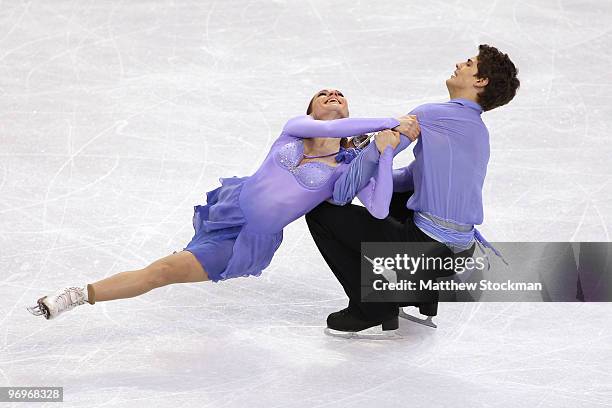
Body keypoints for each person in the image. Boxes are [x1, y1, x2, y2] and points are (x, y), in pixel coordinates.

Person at [27, 89, 420, 320]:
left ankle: (79, 295)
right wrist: (388, 120)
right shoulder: (293, 133)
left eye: (340, 97)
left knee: (162, 271)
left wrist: (384, 155)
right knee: (164, 268)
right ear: (311, 112)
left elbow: (380, 209)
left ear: (349, 113)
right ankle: (86, 292)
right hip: (229, 212)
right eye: (324, 95)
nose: (333, 97)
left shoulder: (346, 168)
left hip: (246, 241)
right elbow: (332, 131)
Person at [306, 44, 521, 334]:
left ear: (480, 81)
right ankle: (422, 296)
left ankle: (371, 307)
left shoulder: (432, 114)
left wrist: (348, 164)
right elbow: (410, 177)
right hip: (457, 255)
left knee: (321, 215)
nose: (459, 64)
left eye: (469, 63)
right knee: (402, 194)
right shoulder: (478, 131)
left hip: (425, 251)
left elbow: (349, 188)